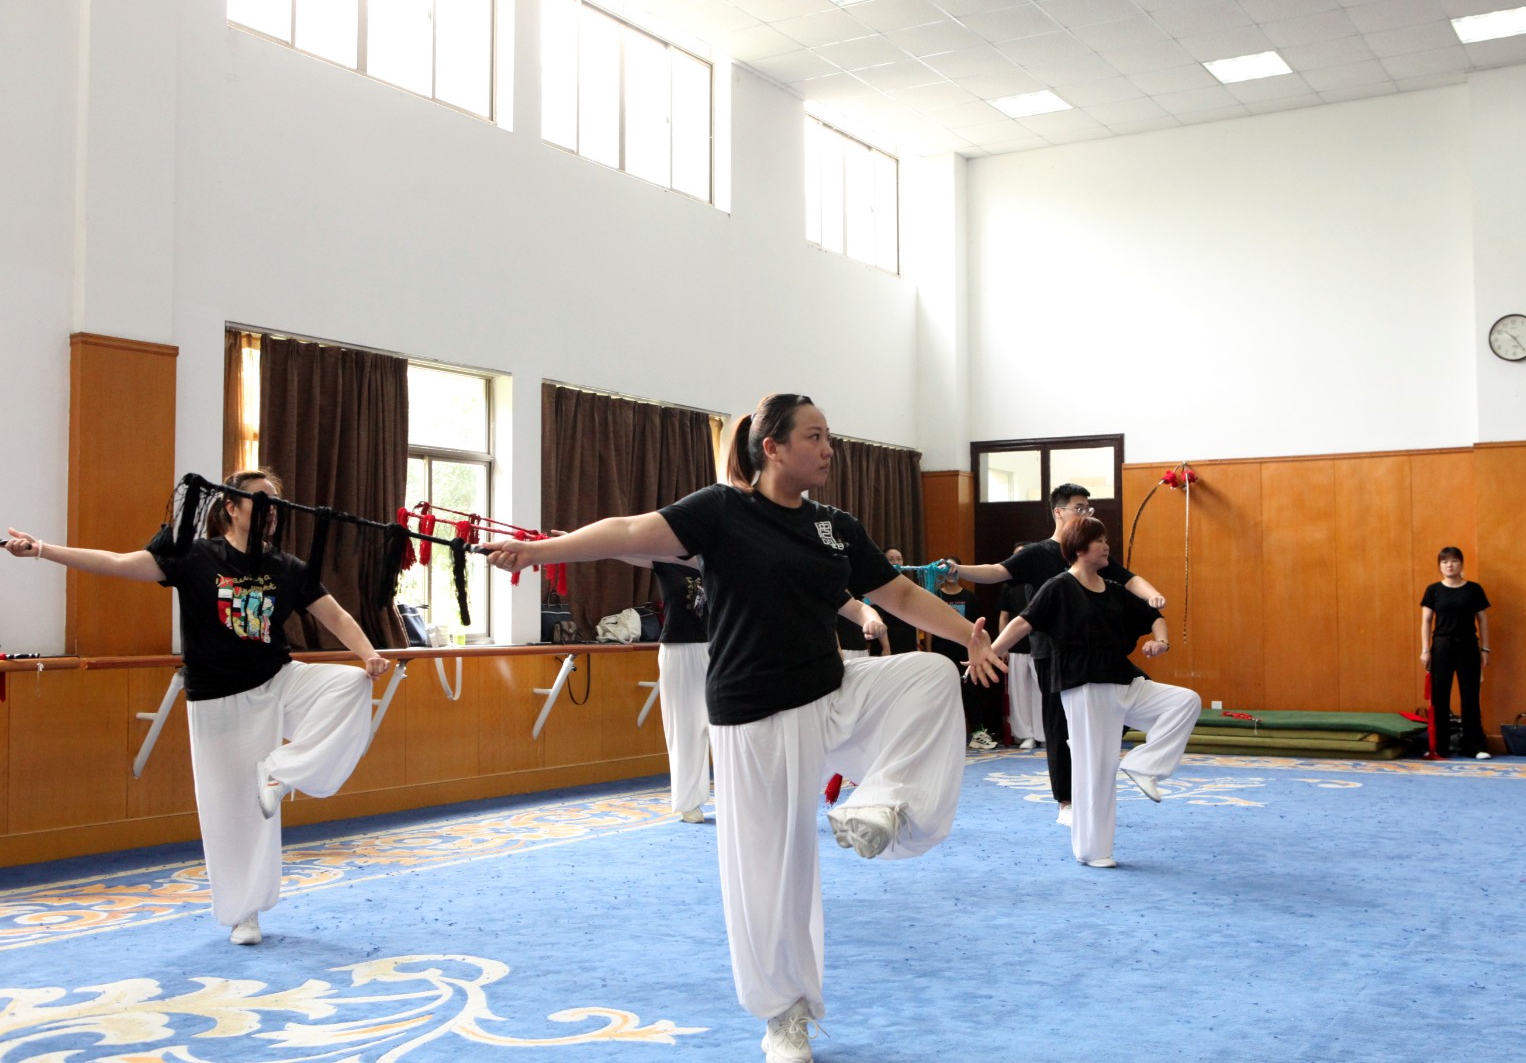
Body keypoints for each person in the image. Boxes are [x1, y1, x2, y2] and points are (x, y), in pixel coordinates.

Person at [481, 393, 1004, 1063]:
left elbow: (897, 594)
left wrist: (967, 636)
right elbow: (629, 531)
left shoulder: (835, 527)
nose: (828, 449)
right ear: (772, 447)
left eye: (830, 436)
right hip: (754, 714)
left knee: (929, 677)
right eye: (814, 436)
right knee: (774, 874)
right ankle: (784, 1015)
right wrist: (539, 550)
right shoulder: (721, 511)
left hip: (829, 692)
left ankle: (880, 803)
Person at [4, 469, 390, 945]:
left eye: (275, 503)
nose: (271, 512)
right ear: (230, 506)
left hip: (278, 680)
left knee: (350, 685)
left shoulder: (288, 567)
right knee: (232, 812)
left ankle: (281, 771)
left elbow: (336, 615)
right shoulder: (193, 556)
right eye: (260, 501)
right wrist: (42, 549)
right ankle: (244, 913)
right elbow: (117, 562)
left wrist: (368, 654)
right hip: (217, 699)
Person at [989, 517, 1201, 869]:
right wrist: (990, 652)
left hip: (1124, 681)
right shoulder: (1059, 587)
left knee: (1185, 701)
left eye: (1105, 539)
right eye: (1099, 540)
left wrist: (1161, 642)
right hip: (1085, 687)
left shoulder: (1115, 590)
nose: (1106, 546)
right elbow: (1023, 623)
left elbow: (1153, 615)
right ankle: (1093, 851)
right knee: (1096, 771)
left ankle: (1144, 765)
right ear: (1079, 548)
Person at [949, 484, 1167, 825]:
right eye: (1079, 508)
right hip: (1051, 653)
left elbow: (1129, 579)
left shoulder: (1092, 549)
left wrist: (1153, 596)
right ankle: (1066, 801)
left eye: (1089, 508)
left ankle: (1103, 759)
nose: (1085, 513)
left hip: (1095, 652)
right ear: (1058, 512)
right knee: (1058, 725)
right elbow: (997, 572)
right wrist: (958, 570)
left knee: (1128, 702)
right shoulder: (1038, 554)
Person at [652, 560, 713, 822]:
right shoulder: (665, 561)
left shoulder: (716, 561)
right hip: (678, 650)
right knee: (685, 728)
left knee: (722, 726)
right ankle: (688, 801)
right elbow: (622, 549)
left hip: (715, 648)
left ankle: (736, 794)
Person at [1420, 546, 1492, 759]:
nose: (1449, 565)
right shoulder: (1433, 590)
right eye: (1444, 562)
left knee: (1470, 696)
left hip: (1468, 645)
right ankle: (1439, 747)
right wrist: (1425, 650)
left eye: (1453, 561)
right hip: (1441, 646)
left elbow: (1482, 620)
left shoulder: (1474, 589)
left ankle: (1474, 746)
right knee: (1439, 697)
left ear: (1461, 564)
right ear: (1440, 566)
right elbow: (1426, 621)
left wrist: (1485, 648)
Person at [928, 558, 997, 750]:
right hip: (941, 651)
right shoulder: (935, 596)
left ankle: (977, 733)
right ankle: (942, 736)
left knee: (971, 691)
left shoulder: (970, 597)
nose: (950, 573)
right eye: (946, 569)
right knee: (943, 692)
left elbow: (976, 628)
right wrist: (928, 650)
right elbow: (929, 626)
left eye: (953, 569)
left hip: (966, 652)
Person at [997, 542, 1043, 750]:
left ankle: (1044, 733)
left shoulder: (1043, 582)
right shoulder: (1009, 586)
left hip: (1040, 645)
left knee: (1042, 691)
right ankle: (1026, 734)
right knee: (1020, 693)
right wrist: (1003, 646)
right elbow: (1004, 617)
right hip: (1016, 645)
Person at [873, 547, 920, 656]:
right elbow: (878, 620)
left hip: (909, 644)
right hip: (889, 646)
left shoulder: (909, 585)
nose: (896, 562)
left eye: (899, 559)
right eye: (891, 559)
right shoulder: (879, 586)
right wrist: (886, 647)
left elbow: (916, 619)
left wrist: (917, 644)